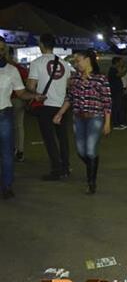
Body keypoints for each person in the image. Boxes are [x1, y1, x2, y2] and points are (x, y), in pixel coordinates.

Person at [53, 50, 112, 194]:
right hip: (78, 118)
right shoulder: (74, 79)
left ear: (87, 60)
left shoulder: (100, 79)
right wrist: (60, 113)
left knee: (90, 150)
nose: (76, 64)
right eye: (75, 61)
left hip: (95, 118)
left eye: (78, 60)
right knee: (80, 151)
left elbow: (107, 102)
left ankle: (91, 183)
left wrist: (107, 123)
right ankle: (92, 166)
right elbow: (70, 98)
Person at [0, 36, 45, 198]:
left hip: (4, 114)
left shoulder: (11, 70)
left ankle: (7, 185)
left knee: (6, 153)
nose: (0, 51)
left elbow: (20, 92)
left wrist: (34, 96)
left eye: (2, 48)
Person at [27, 34, 73, 180]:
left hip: (45, 105)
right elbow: (68, 85)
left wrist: (35, 91)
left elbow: (31, 86)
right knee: (63, 138)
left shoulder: (36, 63)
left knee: (49, 139)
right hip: (62, 106)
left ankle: (56, 169)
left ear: (41, 45)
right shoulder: (64, 63)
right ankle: (65, 167)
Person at [108, 57, 126, 130]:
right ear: (117, 62)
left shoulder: (114, 69)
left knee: (118, 106)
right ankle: (116, 124)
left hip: (117, 91)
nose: (122, 63)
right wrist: (124, 70)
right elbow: (119, 75)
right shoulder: (113, 69)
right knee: (116, 107)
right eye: (121, 62)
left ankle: (118, 122)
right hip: (115, 91)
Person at [119, 60, 127, 127]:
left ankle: (123, 121)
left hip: (123, 88)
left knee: (123, 106)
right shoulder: (119, 71)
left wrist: (126, 90)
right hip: (119, 89)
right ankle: (121, 121)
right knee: (121, 106)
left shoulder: (126, 73)